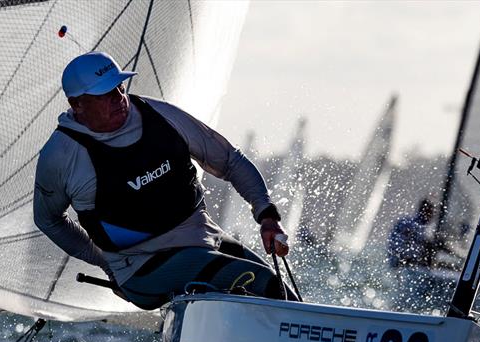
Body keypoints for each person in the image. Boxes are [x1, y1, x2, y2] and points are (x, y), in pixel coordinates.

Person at [34, 51, 295, 309]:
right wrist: (104, 261)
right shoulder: (61, 156)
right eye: (104, 94)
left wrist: (267, 215)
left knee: (285, 295)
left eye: (119, 87)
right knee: (263, 283)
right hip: (141, 267)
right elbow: (48, 219)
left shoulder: (161, 115)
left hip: (203, 239)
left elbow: (230, 160)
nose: (118, 99)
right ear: (76, 104)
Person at [386, 199, 438, 269]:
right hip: (404, 266)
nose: (432, 216)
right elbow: (397, 246)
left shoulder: (424, 229)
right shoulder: (410, 224)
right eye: (430, 213)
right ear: (423, 211)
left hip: (405, 265)